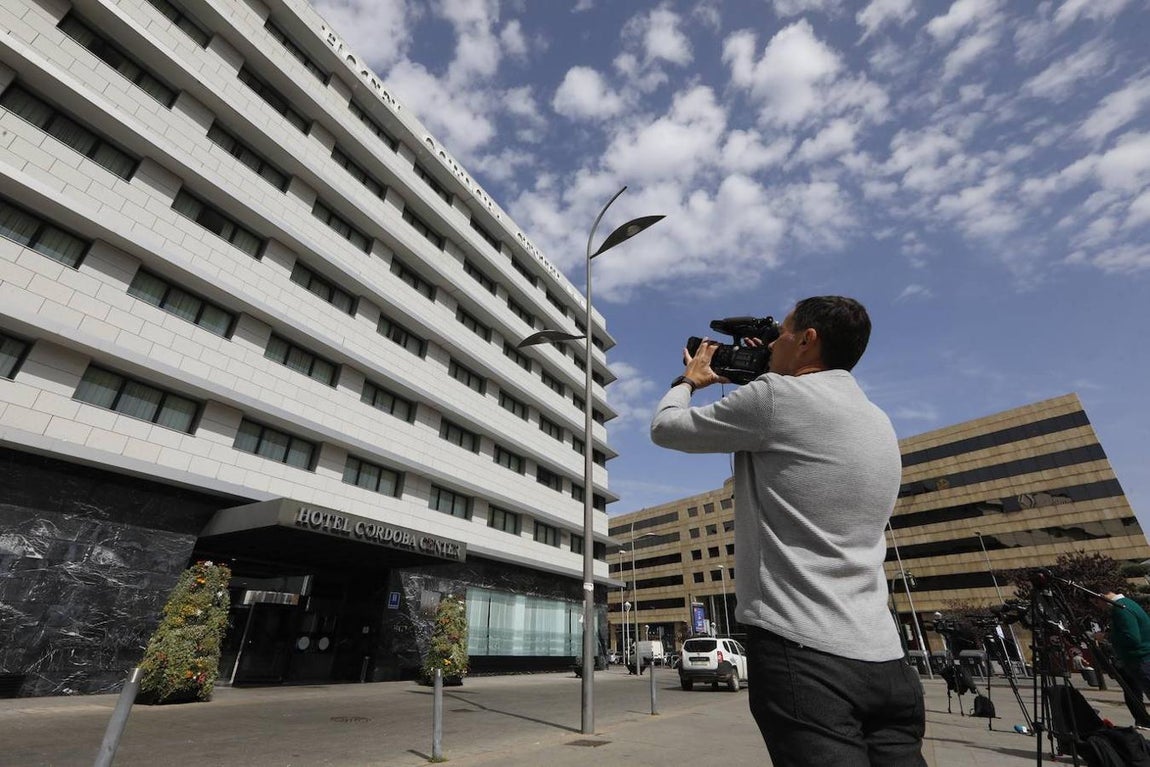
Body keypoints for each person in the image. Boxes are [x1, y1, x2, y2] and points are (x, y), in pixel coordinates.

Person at [650, 296, 925, 767]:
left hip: (806, 656)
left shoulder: (774, 398)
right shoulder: (878, 420)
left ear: (807, 340)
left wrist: (688, 381)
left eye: (781, 334)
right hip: (887, 661)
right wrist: (771, 372)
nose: (772, 343)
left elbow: (666, 427)